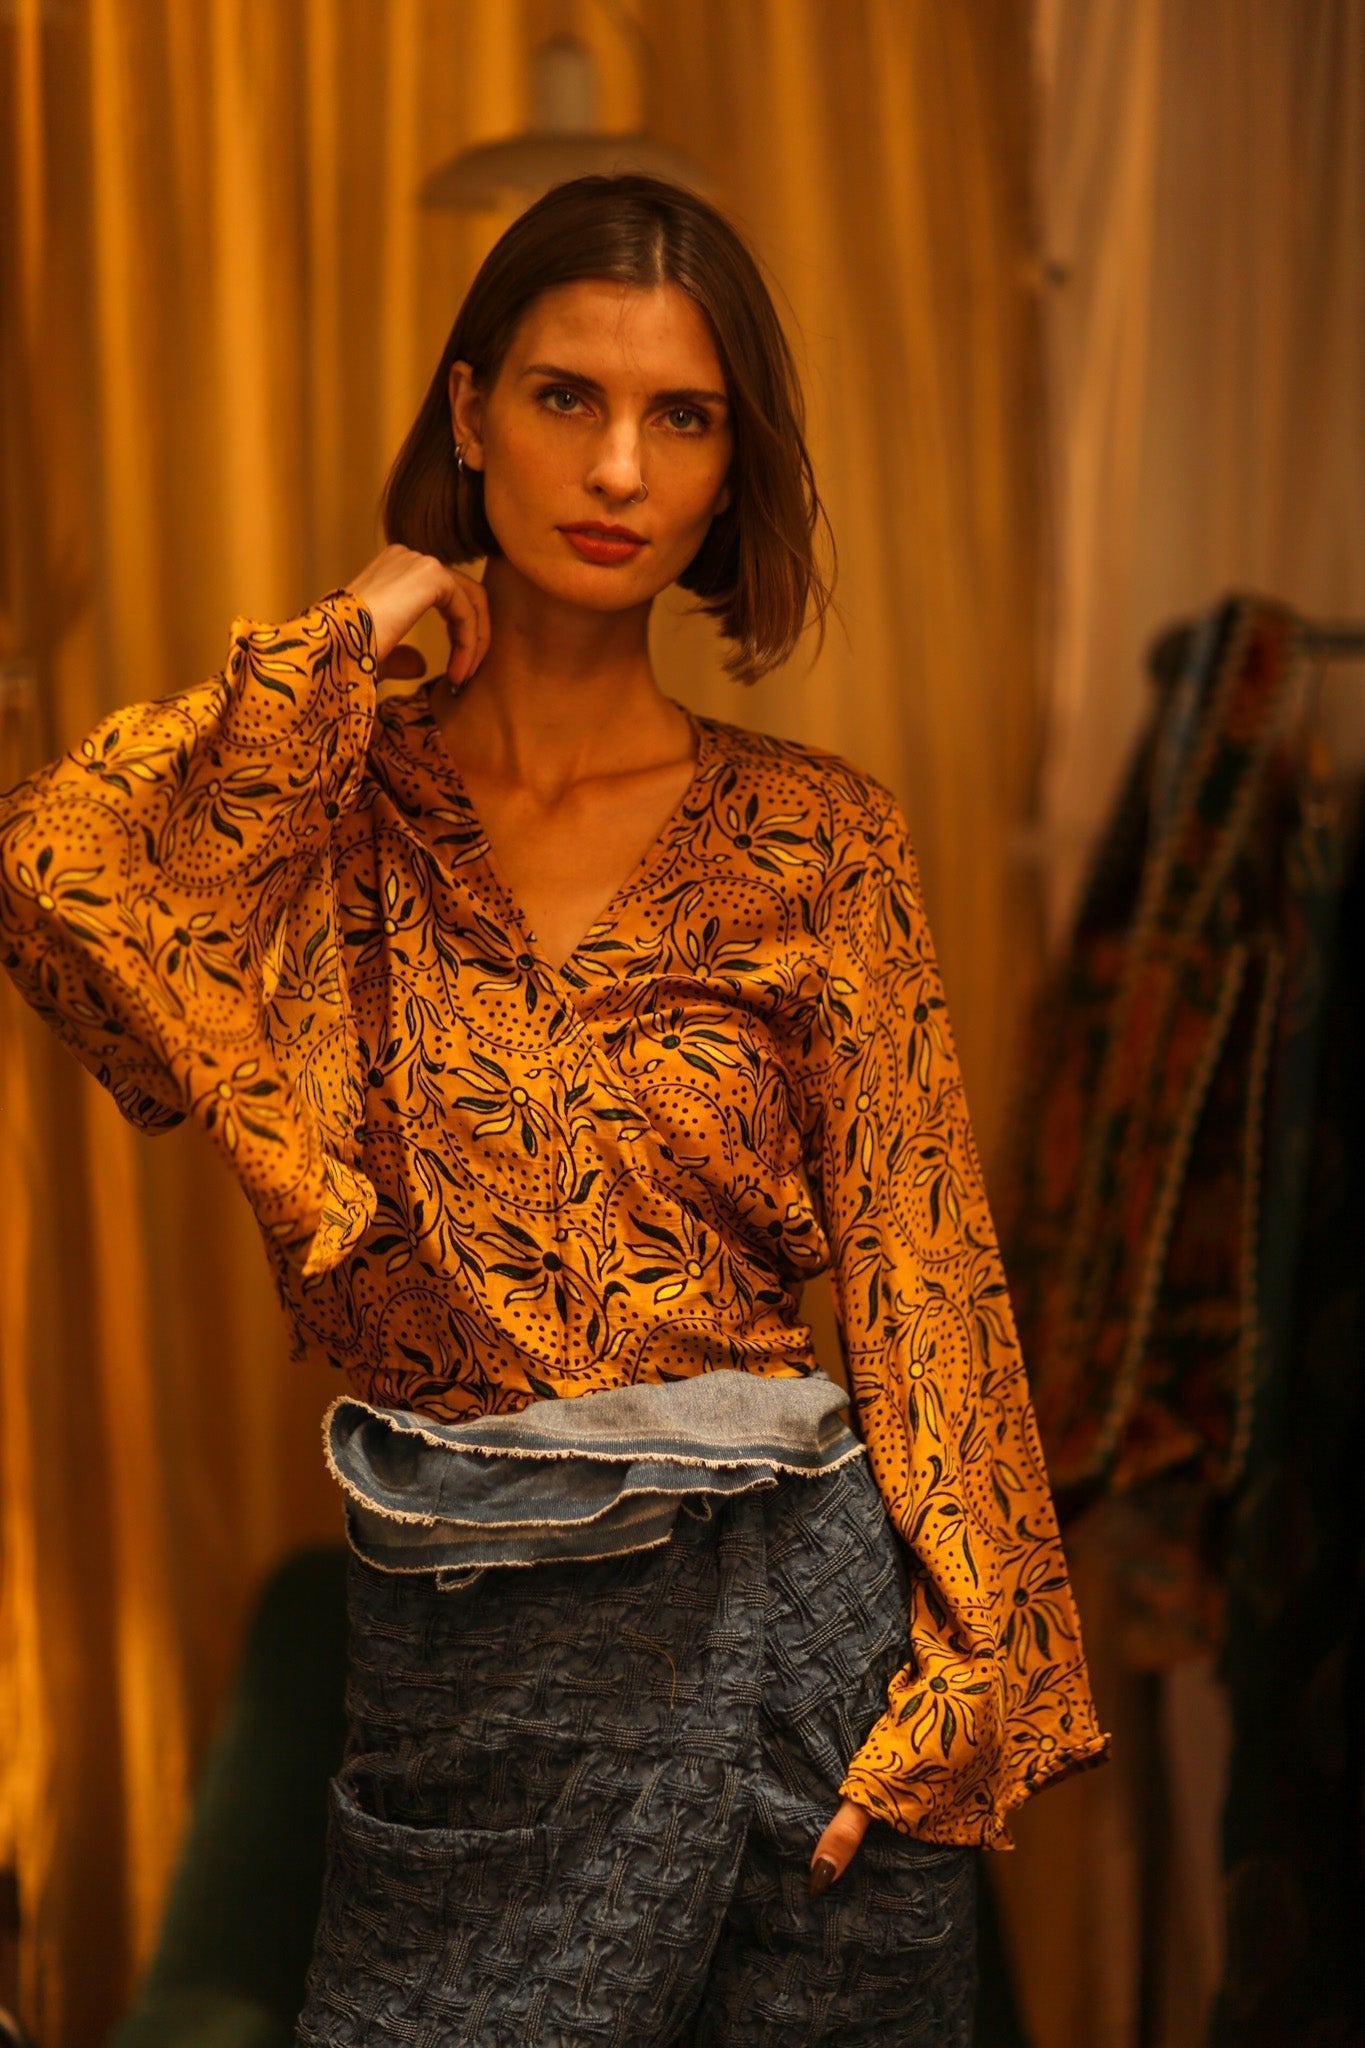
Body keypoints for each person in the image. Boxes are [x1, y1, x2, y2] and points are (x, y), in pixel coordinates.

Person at [0, 174, 1107, 2044]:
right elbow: (60, 880)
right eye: (565, 397)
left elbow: (927, 1275)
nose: (616, 469)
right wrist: (341, 644)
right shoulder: (340, 809)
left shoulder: (819, 837)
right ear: (468, 415)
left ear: (727, 472)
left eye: (682, 418)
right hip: (478, 1669)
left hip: (808, 1665)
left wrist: (969, 1674)